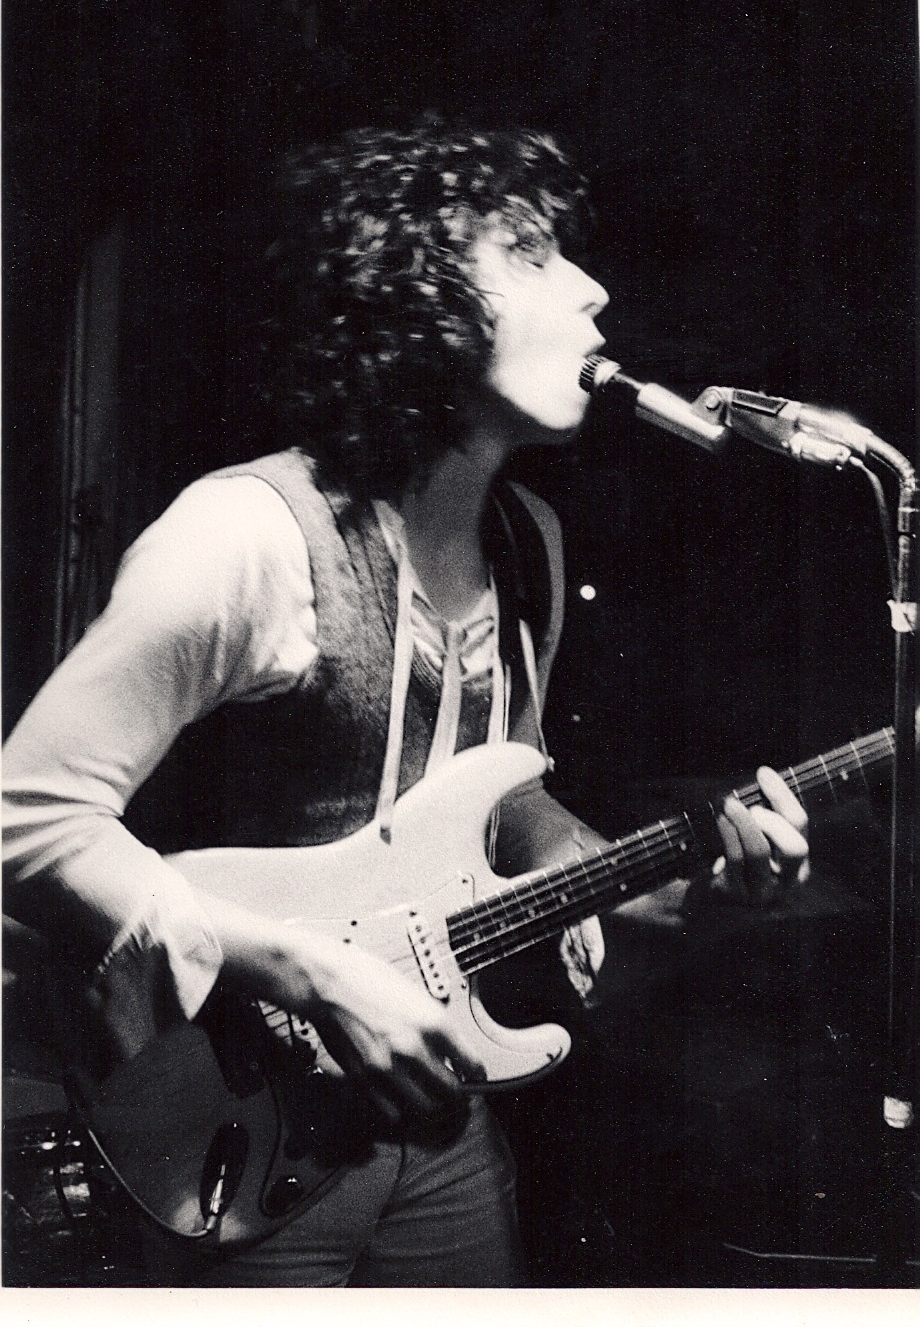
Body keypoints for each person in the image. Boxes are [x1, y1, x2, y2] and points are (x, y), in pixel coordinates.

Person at [2, 118, 809, 1287]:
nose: (591, 288)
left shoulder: (528, 546)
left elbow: (506, 795)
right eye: (530, 251)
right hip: (219, 1110)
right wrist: (321, 975)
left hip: (432, 1114)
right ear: (414, 296)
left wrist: (676, 882)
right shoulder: (249, 535)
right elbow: (25, 816)